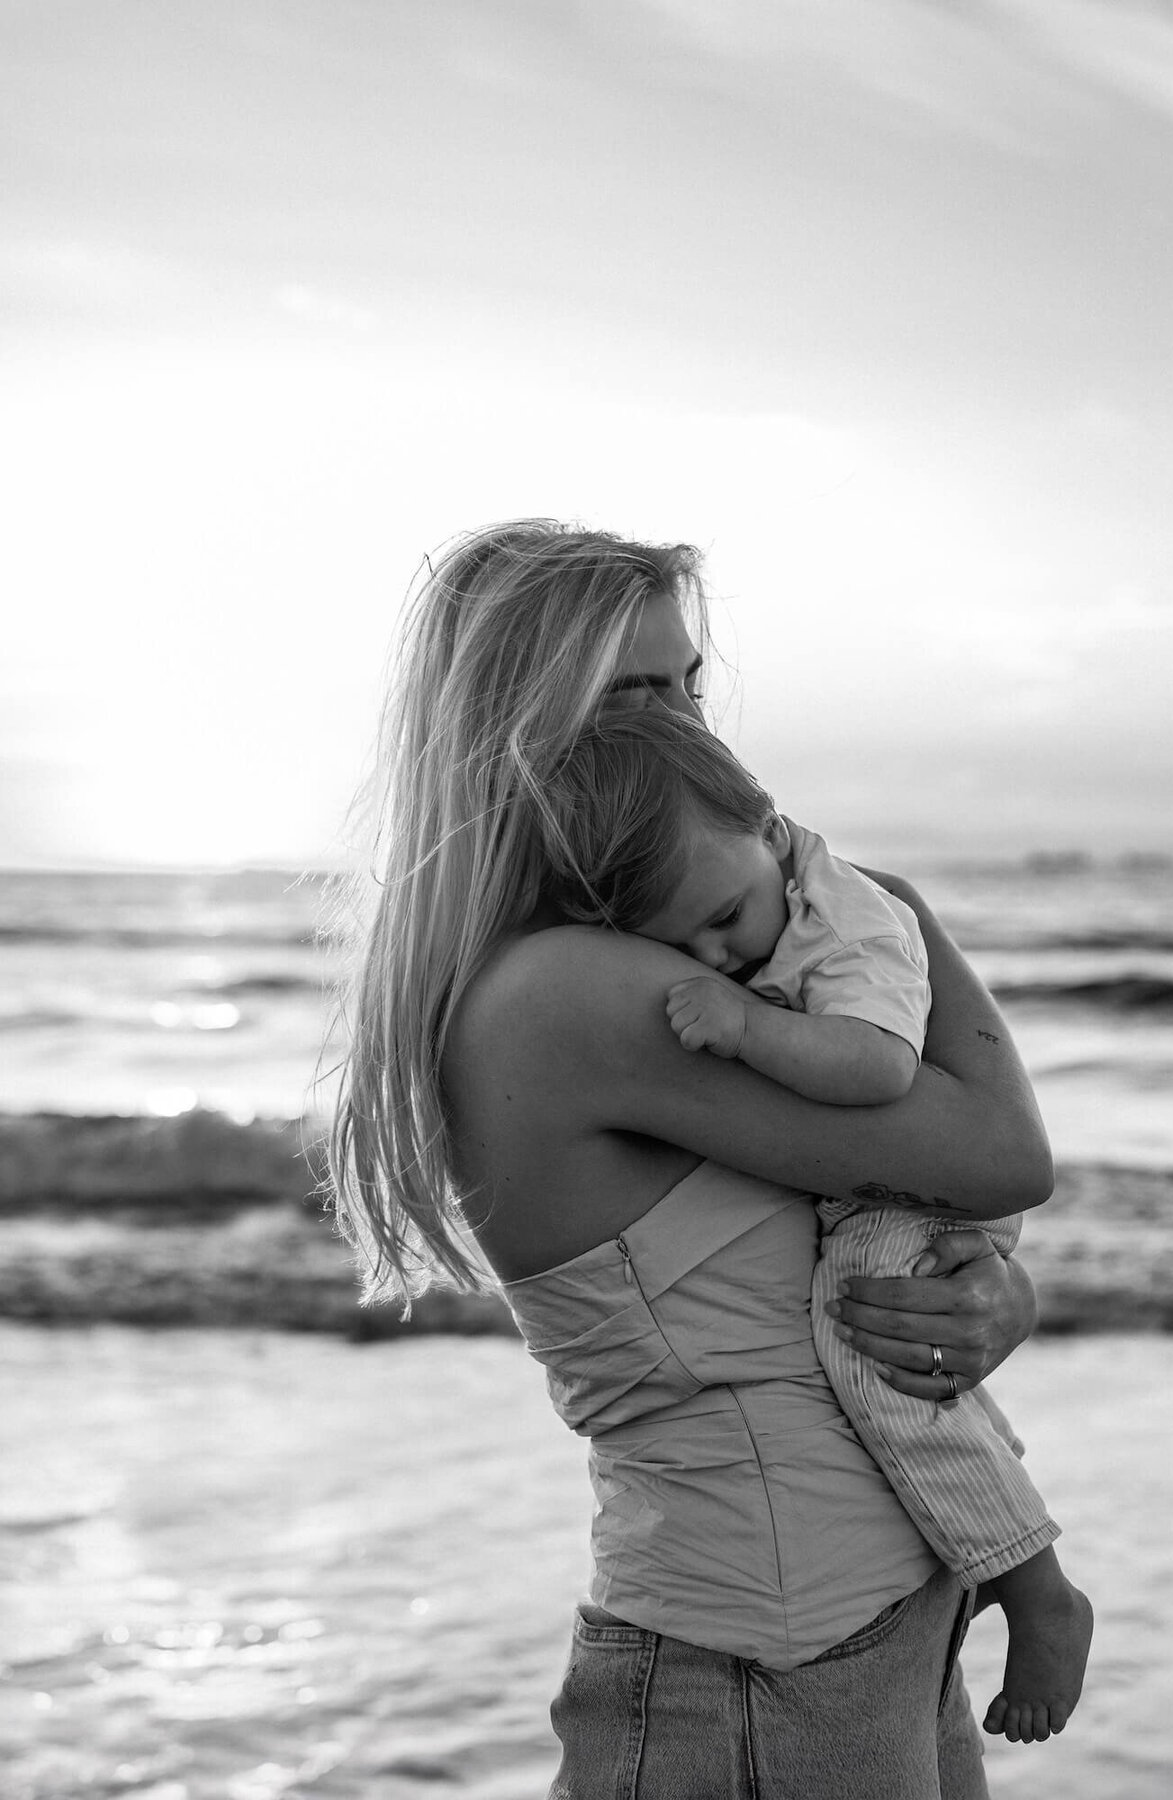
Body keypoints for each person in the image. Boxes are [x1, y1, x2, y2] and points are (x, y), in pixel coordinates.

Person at [327, 520, 1056, 1796]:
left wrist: (988, 1294)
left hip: (856, 1642)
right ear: (519, 721)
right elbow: (997, 1152)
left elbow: (866, 1223)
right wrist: (892, 908)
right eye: (633, 692)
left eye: (690, 682)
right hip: (756, 1675)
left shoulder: (678, 960)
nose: (692, 725)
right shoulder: (577, 993)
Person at [540, 708, 1093, 1748]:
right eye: (686, 942)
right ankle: (977, 1527)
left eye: (724, 919)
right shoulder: (740, 895)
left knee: (869, 1349)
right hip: (780, 1619)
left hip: (895, 1199)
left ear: (767, 824)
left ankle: (1035, 1581)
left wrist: (749, 1026)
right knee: (901, 1355)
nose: (712, 953)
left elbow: (880, 1067)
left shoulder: (847, 920)